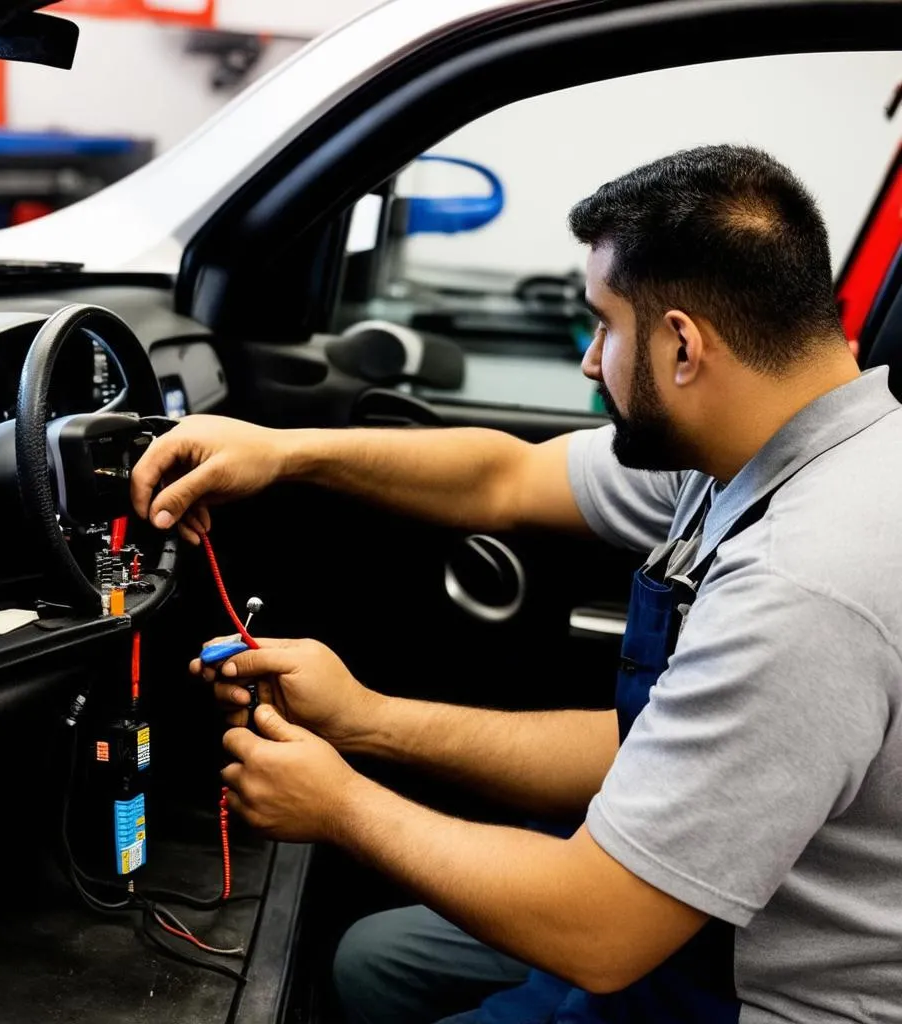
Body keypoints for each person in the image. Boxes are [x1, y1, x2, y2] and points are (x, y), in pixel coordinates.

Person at [129, 145, 902, 1024]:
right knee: (373, 965)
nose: (588, 361)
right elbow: (506, 477)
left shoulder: (807, 585)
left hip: (752, 991)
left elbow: (598, 932)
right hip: (700, 909)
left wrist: (339, 804)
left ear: (684, 344)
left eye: (603, 326)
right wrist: (281, 453)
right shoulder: (758, 448)